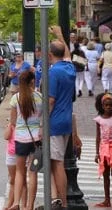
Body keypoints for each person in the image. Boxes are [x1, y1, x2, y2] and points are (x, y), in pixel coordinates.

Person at [47, 26, 81, 210]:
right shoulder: (69, 68)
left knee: (57, 164)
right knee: (55, 162)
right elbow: (67, 54)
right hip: (66, 120)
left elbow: (50, 101)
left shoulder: (54, 72)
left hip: (55, 122)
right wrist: (60, 35)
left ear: (50, 54)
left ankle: (63, 202)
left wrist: (43, 122)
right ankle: (57, 200)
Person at [7, 69, 42, 210]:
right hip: (36, 140)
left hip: (20, 139)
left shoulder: (16, 98)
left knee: (19, 172)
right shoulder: (40, 97)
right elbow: (42, 119)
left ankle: (16, 203)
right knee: (32, 172)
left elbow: (14, 121)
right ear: (33, 81)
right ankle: (29, 206)